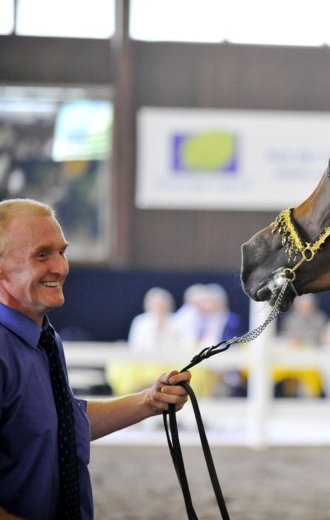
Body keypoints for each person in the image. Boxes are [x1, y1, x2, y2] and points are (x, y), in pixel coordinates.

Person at [0, 198, 192, 519]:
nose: (60, 268)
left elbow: (62, 423)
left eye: (62, 252)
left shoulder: (44, 339)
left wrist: (150, 401)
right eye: (42, 254)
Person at [127, 286, 188, 352]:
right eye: (156, 306)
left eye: (162, 306)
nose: (159, 309)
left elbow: (183, 345)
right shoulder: (140, 322)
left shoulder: (177, 321)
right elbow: (135, 345)